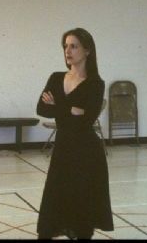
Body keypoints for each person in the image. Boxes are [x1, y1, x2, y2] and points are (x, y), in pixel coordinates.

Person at [36, 28, 114, 239]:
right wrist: (70, 109)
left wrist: (57, 105)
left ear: (87, 50)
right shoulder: (56, 77)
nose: (68, 51)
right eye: (65, 46)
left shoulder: (95, 84)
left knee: (82, 207)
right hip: (63, 149)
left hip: (87, 152)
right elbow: (41, 109)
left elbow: (84, 121)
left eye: (74, 46)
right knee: (52, 208)